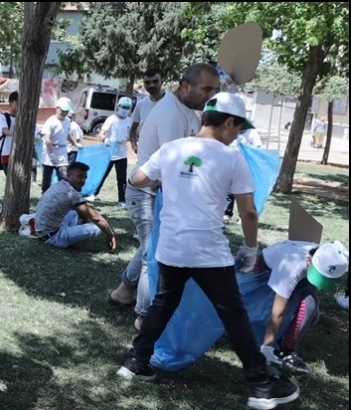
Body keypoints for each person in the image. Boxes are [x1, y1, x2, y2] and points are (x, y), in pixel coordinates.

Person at [116, 92, 300, 410]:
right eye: (238, 128)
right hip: (207, 252)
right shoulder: (232, 158)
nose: (238, 135)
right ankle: (260, 386)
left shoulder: (172, 149)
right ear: (228, 122)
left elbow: (137, 177)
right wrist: (250, 247)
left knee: (163, 303)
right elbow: (248, 212)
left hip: (171, 248)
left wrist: (164, 184)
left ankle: (134, 362)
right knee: (234, 314)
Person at [107, 63, 219, 333]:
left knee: (149, 247)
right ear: (185, 86)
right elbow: (171, 167)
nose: (210, 95)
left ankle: (123, 292)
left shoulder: (189, 112)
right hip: (146, 192)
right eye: (206, 89)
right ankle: (144, 319)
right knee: (153, 255)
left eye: (214, 89)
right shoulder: (172, 114)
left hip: (158, 192)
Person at [257, 240, 348, 374]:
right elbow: (278, 311)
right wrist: (267, 348)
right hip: (266, 274)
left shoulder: (332, 258)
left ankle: (286, 340)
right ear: (310, 260)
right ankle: (285, 351)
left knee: (313, 316)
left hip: (300, 274)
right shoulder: (291, 267)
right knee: (309, 305)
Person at [34, 161, 117, 251]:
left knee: (73, 212)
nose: (83, 181)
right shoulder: (71, 194)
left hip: (41, 232)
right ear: (68, 176)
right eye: (79, 176)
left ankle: (73, 238)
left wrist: (86, 220)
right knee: (96, 228)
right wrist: (111, 235)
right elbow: (96, 218)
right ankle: (68, 241)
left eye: (85, 177)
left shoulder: (59, 185)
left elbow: (84, 211)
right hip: (52, 237)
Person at [87, 96, 133, 207]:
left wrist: (126, 139)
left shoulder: (129, 121)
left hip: (121, 155)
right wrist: (105, 139)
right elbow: (101, 133)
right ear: (118, 107)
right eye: (123, 107)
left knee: (121, 179)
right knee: (102, 174)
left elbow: (131, 135)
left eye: (127, 108)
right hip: (109, 154)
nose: (125, 109)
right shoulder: (111, 119)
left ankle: (122, 200)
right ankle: (93, 193)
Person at [40, 97, 79, 193]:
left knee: (64, 178)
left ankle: (62, 197)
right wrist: (52, 154)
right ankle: (45, 196)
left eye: (66, 111)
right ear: (57, 108)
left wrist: (75, 143)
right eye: (62, 111)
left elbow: (67, 134)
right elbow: (47, 139)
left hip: (62, 154)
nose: (64, 113)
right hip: (50, 154)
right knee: (47, 179)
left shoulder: (67, 121)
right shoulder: (51, 121)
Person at [224, 127, 263, 221]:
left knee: (244, 192)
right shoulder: (233, 132)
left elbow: (257, 148)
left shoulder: (252, 133)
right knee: (229, 191)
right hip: (231, 166)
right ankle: (227, 213)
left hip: (246, 167)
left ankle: (243, 216)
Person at [129, 68, 170, 154]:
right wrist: (134, 146)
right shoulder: (141, 105)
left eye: (155, 81)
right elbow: (132, 129)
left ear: (162, 81)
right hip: (145, 159)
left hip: (167, 157)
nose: (151, 85)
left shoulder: (173, 102)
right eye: (147, 82)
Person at [0, 90, 18, 175]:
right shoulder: (4, 117)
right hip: (6, 154)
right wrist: (19, 134)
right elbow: (5, 131)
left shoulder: (21, 118)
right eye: (17, 102)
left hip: (18, 154)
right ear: (10, 102)